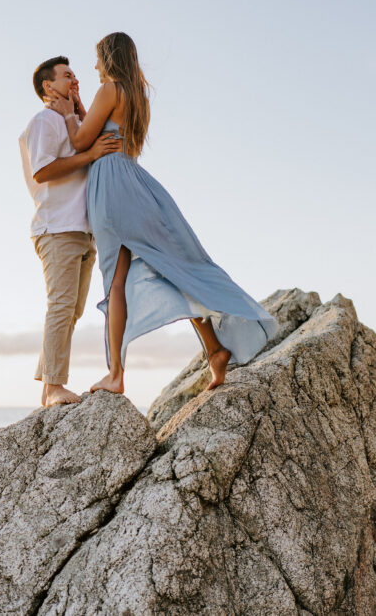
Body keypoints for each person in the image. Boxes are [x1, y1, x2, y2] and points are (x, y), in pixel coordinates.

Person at [47, 33, 276, 395]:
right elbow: (111, 135)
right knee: (173, 268)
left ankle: (116, 374)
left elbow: (80, 142)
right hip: (136, 182)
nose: (93, 68)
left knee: (116, 282)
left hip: (112, 187)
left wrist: (67, 115)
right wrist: (79, 106)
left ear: (108, 57)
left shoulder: (109, 88)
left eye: (97, 60)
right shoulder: (137, 96)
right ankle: (215, 349)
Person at [19, 56, 123, 407]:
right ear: (48, 86)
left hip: (82, 228)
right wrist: (90, 153)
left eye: (76, 75)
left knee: (72, 311)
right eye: (66, 76)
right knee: (61, 307)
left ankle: (50, 387)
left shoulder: (74, 120)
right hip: (57, 226)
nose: (74, 79)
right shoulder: (45, 120)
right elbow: (42, 171)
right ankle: (53, 388)